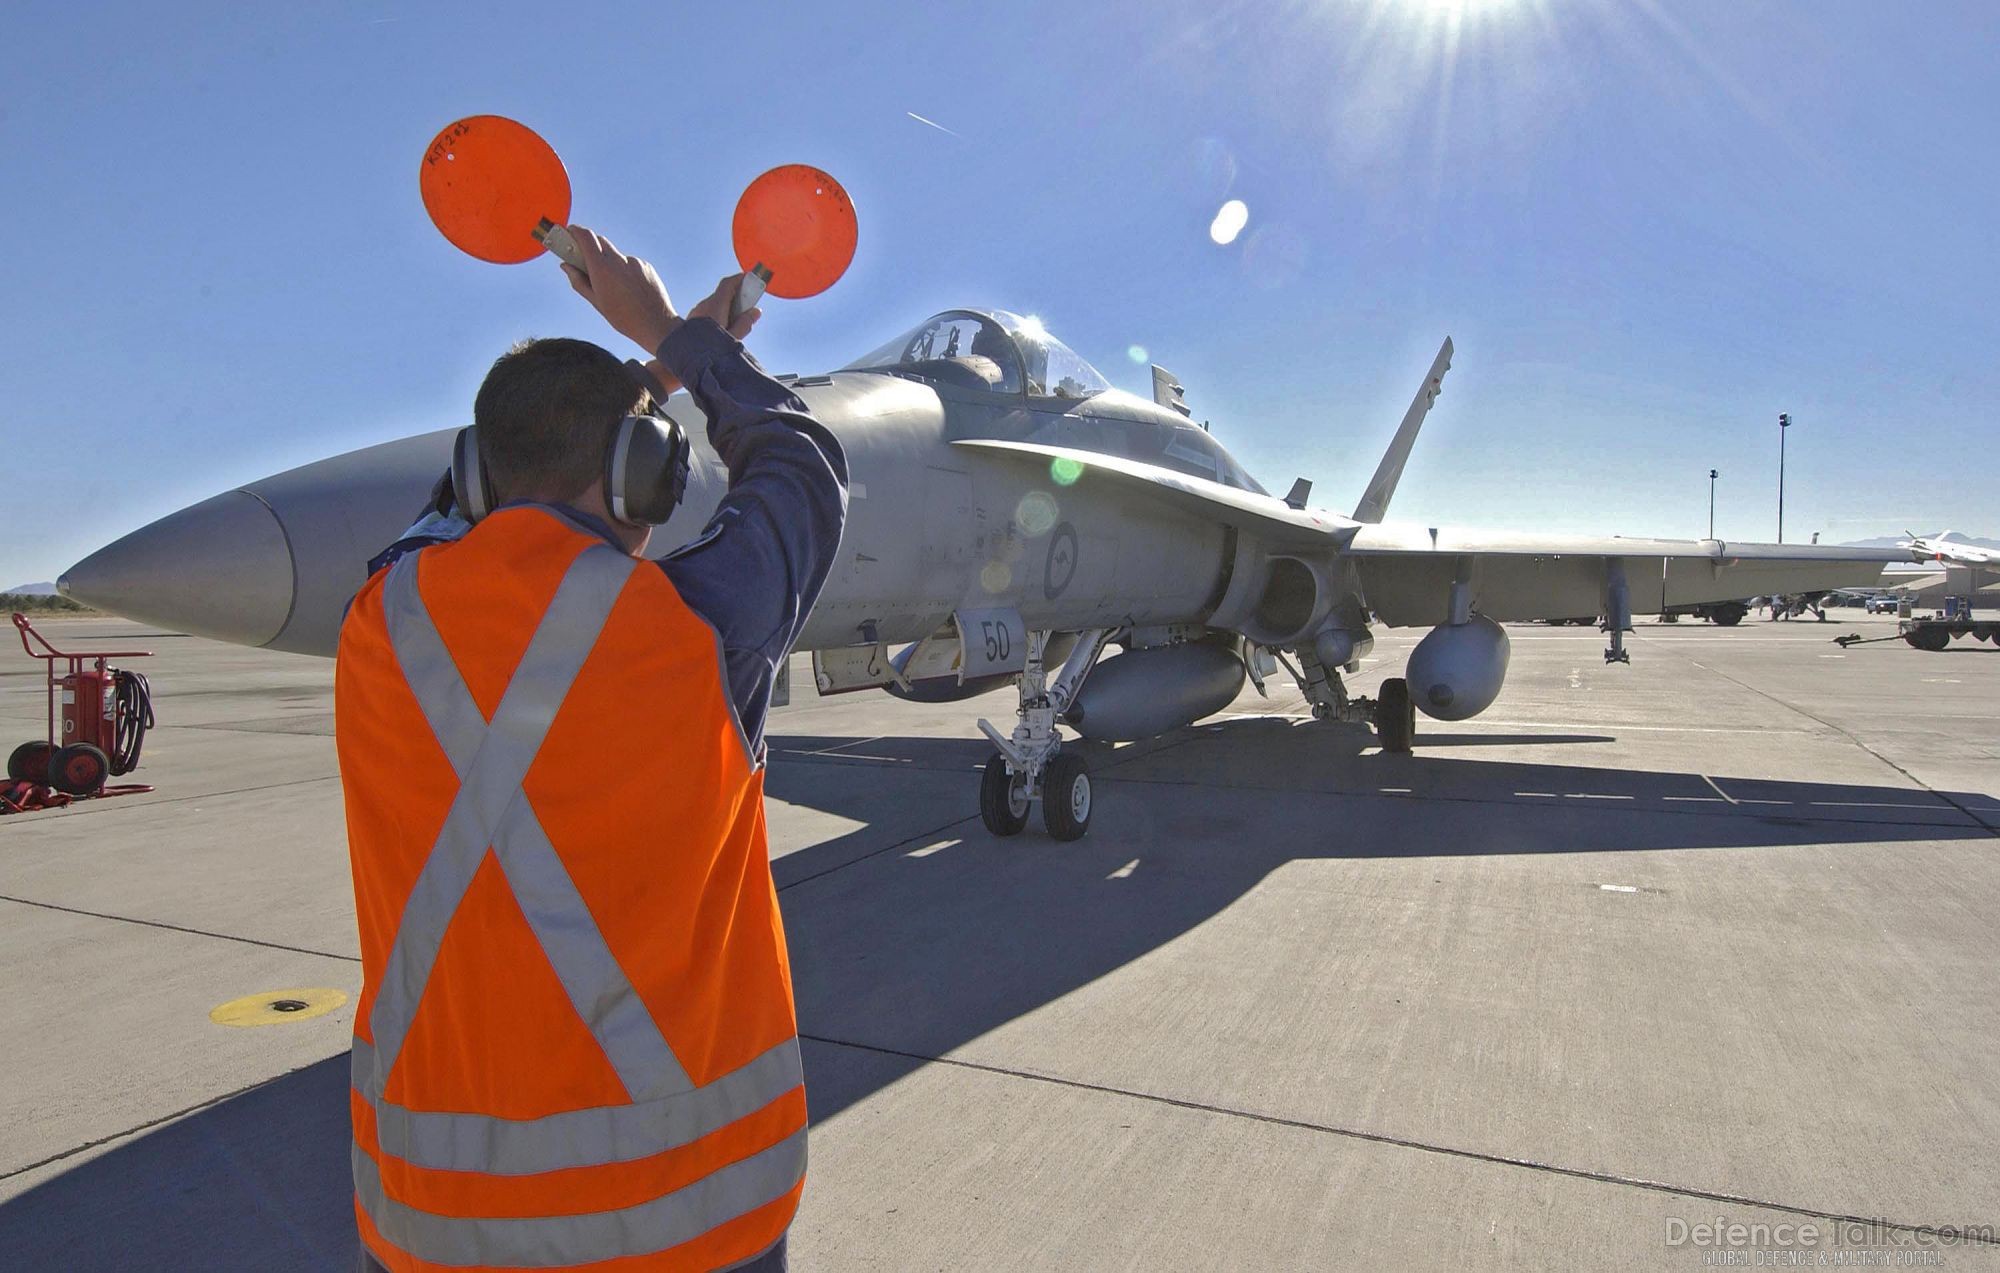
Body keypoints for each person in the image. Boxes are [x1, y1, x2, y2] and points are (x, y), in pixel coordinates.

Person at [336, 226, 847, 1272]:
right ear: (645, 477)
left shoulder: (374, 621)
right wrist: (670, 336)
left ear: (475, 476)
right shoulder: (699, 626)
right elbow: (801, 460)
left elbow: (446, 516)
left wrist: (652, 364)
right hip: (688, 1224)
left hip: (429, 1227)